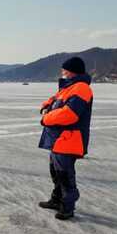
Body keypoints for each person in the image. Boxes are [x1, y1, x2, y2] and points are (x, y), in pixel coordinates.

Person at [38, 57, 93, 220]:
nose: (62, 73)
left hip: (69, 139)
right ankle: (57, 200)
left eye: (65, 70)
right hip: (58, 139)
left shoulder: (82, 88)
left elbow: (70, 114)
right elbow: (52, 101)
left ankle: (67, 207)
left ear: (72, 71)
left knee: (64, 175)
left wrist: (46, 118)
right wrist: (44, 107)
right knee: (56, 173)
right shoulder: (67, 87)